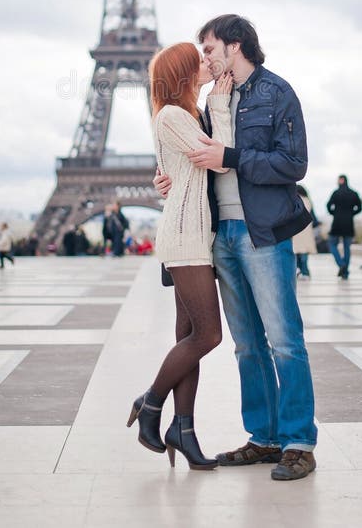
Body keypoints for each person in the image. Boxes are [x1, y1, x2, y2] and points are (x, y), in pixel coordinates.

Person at [155, 15, 317, 480]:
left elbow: (294, 164)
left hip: (261, 231)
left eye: (209, 48)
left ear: (235, 44)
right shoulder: (211, 101)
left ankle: (299, 442)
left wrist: (231, 158)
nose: (204, 58)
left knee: (285, 341)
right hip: (219, 235)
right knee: (247, 345)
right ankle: (264, 437)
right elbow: (195, 158)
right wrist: (166, 180)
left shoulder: (277, 92)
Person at [128, 42, 233, 470]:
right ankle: (151, 402)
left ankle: (183, 430)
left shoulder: (183, 117)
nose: (208, 64)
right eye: (201, 61)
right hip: (186, 237)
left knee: (188, 337)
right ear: (185, 72)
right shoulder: (174, 116)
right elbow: (222, 161)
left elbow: (182, 171)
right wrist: (221, 104)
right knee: (208, 336)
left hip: (190, 234)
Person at [326, 174, 362, 280]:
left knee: (332, 244)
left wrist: (334, 213)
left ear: (340, 181)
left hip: (337, 223)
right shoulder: (353, 193)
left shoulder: (336, 193)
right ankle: (345, 272)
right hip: (348, 224)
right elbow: (359, 207)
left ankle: (341, 264)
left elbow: (328, 206)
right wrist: (352, 213)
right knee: (347, 248)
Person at [293, 186, 318, 279]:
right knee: (304, 252)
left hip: (296, 229)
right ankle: (306, 272)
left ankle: (298, 271)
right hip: (306, 229)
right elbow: (313, 217)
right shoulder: (308, 201)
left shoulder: (294, 200)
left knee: (296, 251)